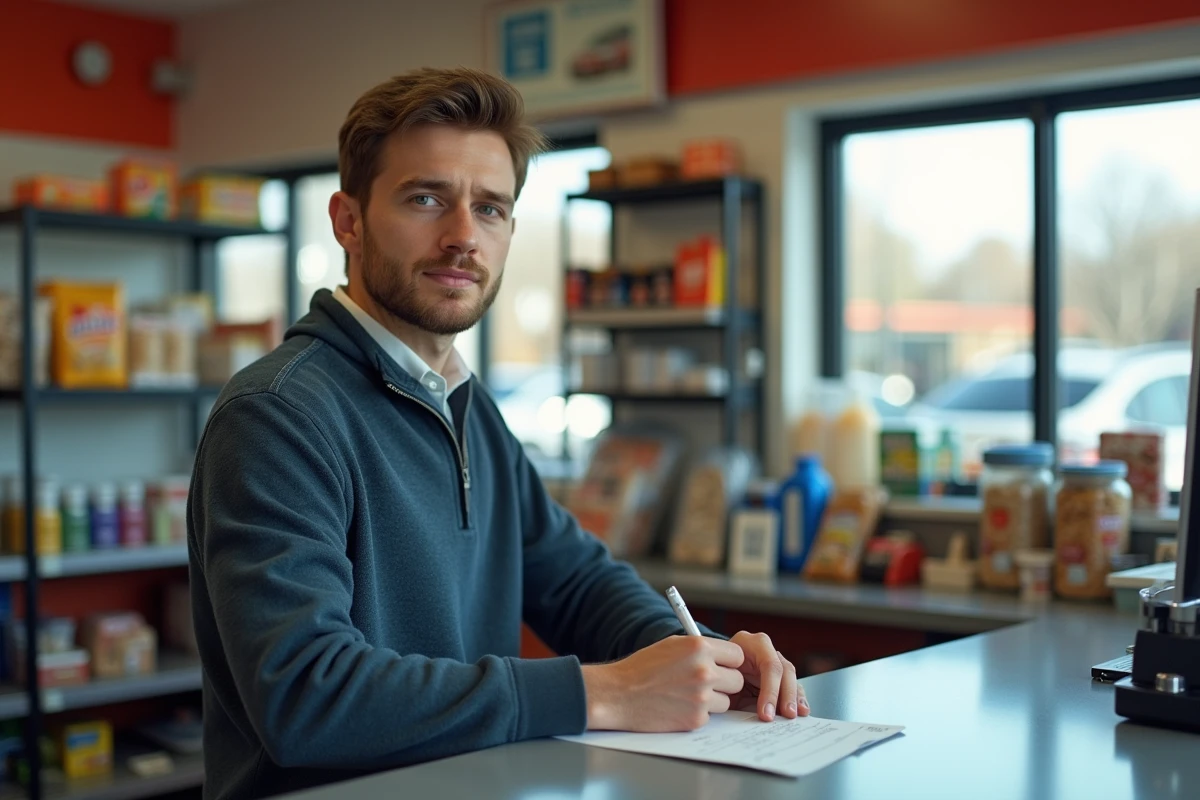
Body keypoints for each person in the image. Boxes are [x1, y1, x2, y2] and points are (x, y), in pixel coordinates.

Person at [188, 66, 806, 800]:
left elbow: (574, 580)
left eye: (490, 209)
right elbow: (305, 695)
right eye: (427, 199)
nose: (463, 238)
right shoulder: (278, 414)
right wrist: (599, 692)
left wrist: (690, 656)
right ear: (347, 220)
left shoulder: (467, 407)